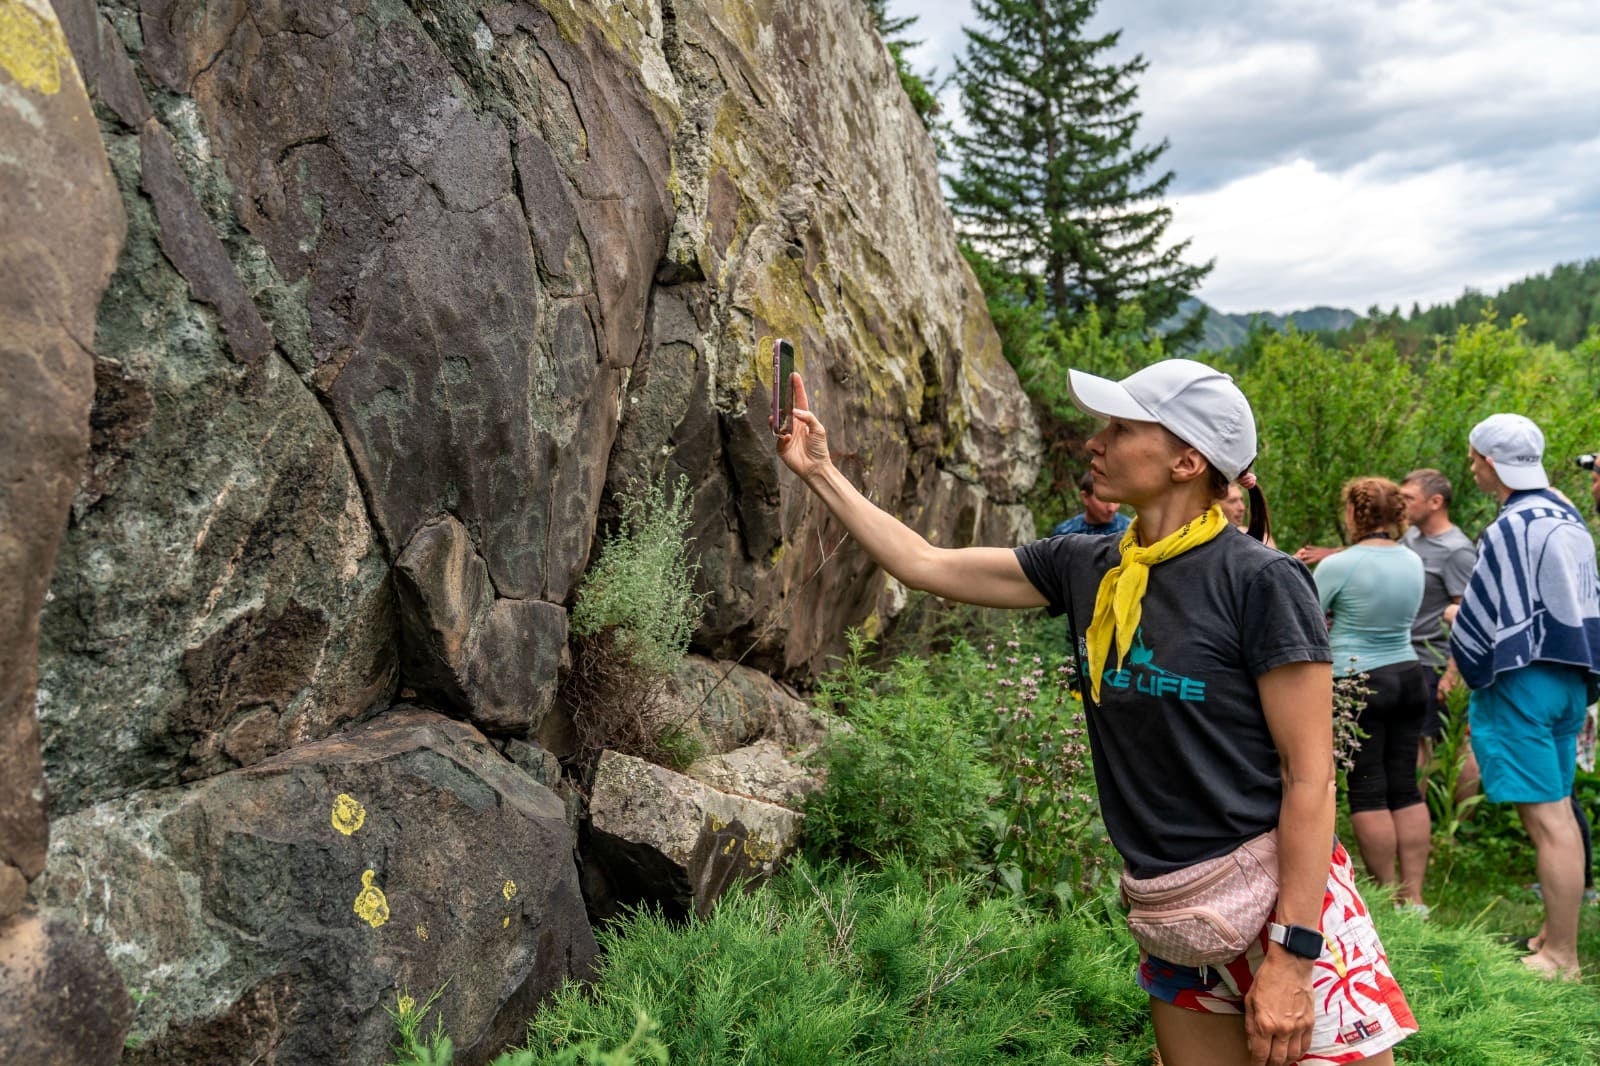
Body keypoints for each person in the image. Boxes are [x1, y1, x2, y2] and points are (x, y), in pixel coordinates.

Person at [774, 357, 1415, 1066]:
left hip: (1284, 906)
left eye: (1120, 428)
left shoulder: (1261, 581)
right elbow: (925, 563)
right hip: (1173, 909)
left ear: (1186, 461)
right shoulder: (1086, 565)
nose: (1094, 442)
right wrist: (820, 471)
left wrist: (1293, 957)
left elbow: (1309, 778)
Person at [1449, 413, 1600, 981]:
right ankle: (1551, 935)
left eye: (1474, 459)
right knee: (1559, 811)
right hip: (1568, 679)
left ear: (1490, 462)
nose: (1472, 468)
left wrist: (1459, 624)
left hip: (1524, 681)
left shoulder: (1512, 526)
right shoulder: (1566, 515)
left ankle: (1561, 957)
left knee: (1548, 820)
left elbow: (1488, 616)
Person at [1310, 478, 1430, 910]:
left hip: (1358, 680)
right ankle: (1414, 897)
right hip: (1410, 673)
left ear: (1352, 513)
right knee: (1406, 786)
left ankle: (1386, 893)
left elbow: (1306, 618)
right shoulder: (1413, 560)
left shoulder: (1339, 565)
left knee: (1368, 788)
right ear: (1397, 513)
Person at [1396, 469, 1477, 765]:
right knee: (1417, 740)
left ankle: (1438, 799)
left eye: (1409, 498)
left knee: (1439, 743)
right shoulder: (1411, 537)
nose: (1401, 504)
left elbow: (1469, 616)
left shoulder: (1457, 551)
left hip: (1436, 662)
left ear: (1435, 502)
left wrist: (1454, 672)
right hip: (1410, 656)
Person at [1052, 469, 1132, 537]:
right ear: (1085, 497)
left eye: (1116, 499)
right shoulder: (1065, 533)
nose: (1112, 508)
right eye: (1104, 499)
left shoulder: (1131, 530)